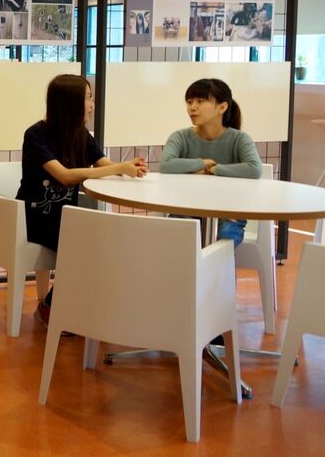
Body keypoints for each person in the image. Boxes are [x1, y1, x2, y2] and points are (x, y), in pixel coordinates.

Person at [18, 75, 149, 326]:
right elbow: (65, 176)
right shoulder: (36, 134)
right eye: (88, 98)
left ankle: (77, 307)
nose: (92, 104)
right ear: (69, 103)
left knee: (105, 241)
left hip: (67, 217)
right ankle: (50, 308)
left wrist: (127, 167)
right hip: (34, 218)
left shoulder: (82, 135)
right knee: (87, 247)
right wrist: (118, 167)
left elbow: (104, 164)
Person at [159, 78, 261, 246]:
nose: (192, 107)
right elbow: (165, 164)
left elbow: (254, 169)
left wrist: (215, 169)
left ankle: (218, 265)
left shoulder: (240, 139)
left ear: (222, 107)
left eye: (200, 101)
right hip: (186, 210)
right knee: (172, 240)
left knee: (224, 240)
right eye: (189, 102)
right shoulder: (180, 137)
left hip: (229, 214)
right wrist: (202, 163)